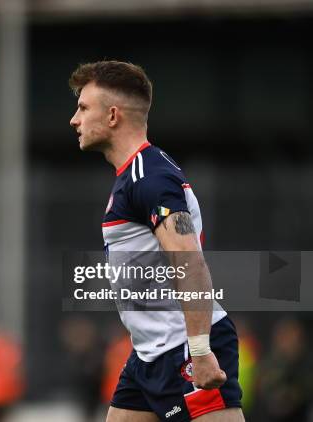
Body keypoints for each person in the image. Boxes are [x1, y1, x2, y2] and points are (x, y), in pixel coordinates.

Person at [69, 61, 244, 422]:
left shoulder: (149, 176)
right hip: (149, 353)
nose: (75, 119)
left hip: (184, 347)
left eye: (84, 108)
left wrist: (199, 349)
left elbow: (189, 260)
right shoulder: (135, 174)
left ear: (113, 115)